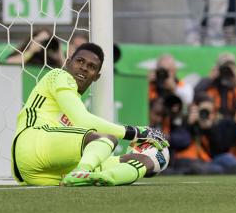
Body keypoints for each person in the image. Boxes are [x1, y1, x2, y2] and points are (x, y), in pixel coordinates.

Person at [11, 43, 169, 186]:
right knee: (105, 138)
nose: (84, 68)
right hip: (31, 143)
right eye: (79, 61)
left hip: (46, 172)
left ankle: (107, 178)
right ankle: (83, 171)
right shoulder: (58, 76)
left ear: (96, 77)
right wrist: (135, 133)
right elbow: (82, 119)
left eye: (91, 67)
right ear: (67, 63)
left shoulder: (75, 99)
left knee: (151, 159)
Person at [194, 52, 236, 119]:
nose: (227, 70)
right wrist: (210, 78)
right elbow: (195, 93)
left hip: (233, 122)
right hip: (213, 121)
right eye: (225, 66)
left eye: (230, 67)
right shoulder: (212, 83)